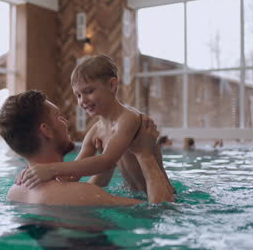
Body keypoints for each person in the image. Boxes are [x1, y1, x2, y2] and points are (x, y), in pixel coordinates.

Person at [20, 55, 173, 194]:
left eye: (89, 91)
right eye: (78, 95)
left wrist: (51, 170)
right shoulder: (95, 132)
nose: (82, 100)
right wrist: (35, 175)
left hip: (163, 195)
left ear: (112, 85)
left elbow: (106, 161)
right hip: (139, 197)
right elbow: (73, 174)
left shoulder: (128, 119)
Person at [0, 90, 174, 206]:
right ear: (46, 130)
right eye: (59, 117)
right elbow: (161, 210)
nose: (65, 122)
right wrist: (145, 154)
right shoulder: (84, 194)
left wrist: (107, 158)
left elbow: (73, 195)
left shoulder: (15, 193)